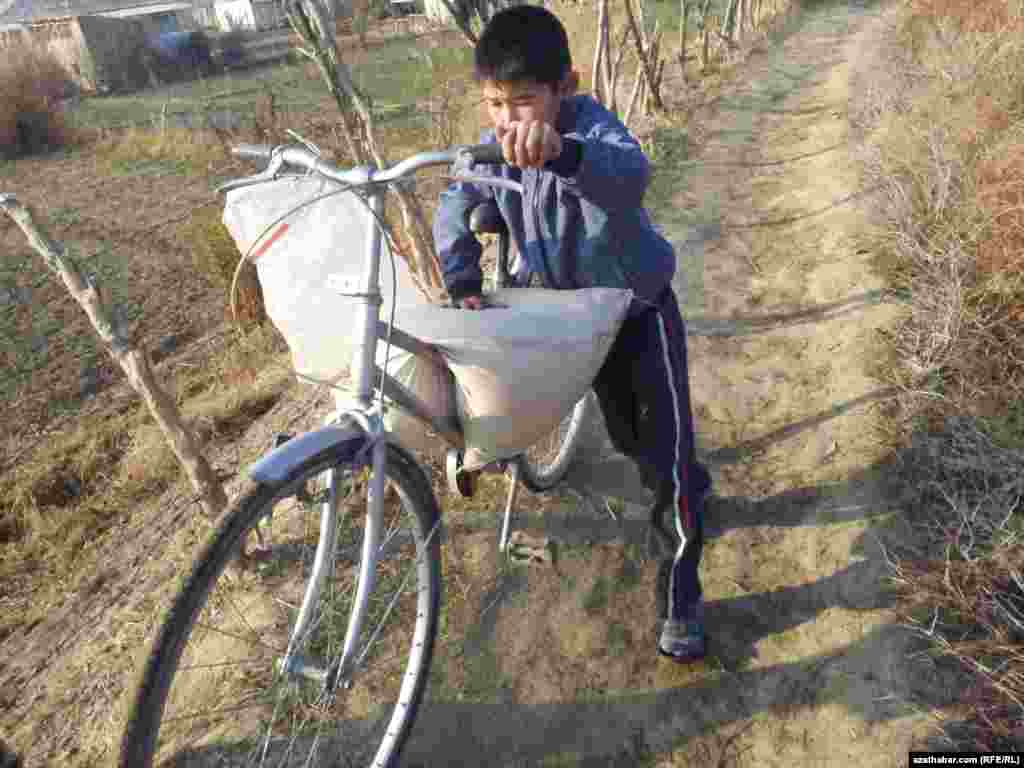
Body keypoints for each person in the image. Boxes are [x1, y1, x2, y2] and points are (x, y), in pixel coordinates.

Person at [432, 5, 713, 663]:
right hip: (569, 323)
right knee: (626, 438)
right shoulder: (492, 147)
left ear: (565, 86)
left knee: (664, 458)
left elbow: (628, 178)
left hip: (635, 314)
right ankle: (677, 483)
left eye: (524, 100)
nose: (508, 119)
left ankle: (682, 589)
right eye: (495, 103)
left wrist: (564, 154)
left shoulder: (592, 130)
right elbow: (453, 203)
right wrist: (460, 269)